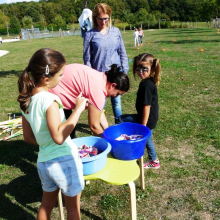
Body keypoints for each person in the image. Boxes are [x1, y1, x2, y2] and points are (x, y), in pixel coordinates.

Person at [17, 48, 88, 220]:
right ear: (47, 79)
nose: (63, 78)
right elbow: (58, 136)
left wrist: (45, 143)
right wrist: (77, 110)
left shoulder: (27, 101)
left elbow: (28, 137)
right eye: (61, 75)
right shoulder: (50, 101)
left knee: (46, 205)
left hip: (44, 163)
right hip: (64, 160)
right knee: (73, 209)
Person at [50, 63, 130, 138]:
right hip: (53, 96)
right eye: (117, 93)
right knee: (64, 135)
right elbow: (94, 126)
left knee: (69, 132)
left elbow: (99, 111)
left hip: (54, 88)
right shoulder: (98, 91)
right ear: (112, 85)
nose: (115, 97)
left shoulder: (100, 78)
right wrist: (110, 143)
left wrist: (107, 131)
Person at [83, 3, 129, 123]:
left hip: (116, 74)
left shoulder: (116, 32)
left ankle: (119, 126)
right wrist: (90, 76)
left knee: (117, 103)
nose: (103, 22)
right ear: (95, 18)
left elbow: (122, 52)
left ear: (109, 17)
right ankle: (98, 127)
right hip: (99, 76)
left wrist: (124, 71)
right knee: (99, 104)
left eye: (105, 18)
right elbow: (87, 58)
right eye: (100, 19)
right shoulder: (90, 34)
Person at [116, 53, 161, 169]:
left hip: (146, 119)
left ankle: (126, 144)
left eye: (144, 69)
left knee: (120, 120)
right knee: (148, 139)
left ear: (152, 69)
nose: (140, 71)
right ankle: (154, 160)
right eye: (138, 68)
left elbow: (147, 106)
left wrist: (143, 126)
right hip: (147, 118)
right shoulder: (147, 82)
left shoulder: (147, 86)